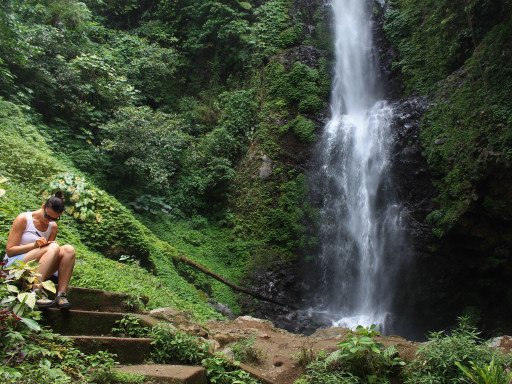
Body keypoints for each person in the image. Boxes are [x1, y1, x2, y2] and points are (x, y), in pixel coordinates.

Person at [3, 191, 75, 308]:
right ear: (43, 206)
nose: (48, 221)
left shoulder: (52, 227)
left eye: (54, 219)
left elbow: (51, 253)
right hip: (15, 263)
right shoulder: (24, 219)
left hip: (37, 267)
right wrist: (34, 246)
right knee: (53, 247)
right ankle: (36, 291)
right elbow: (10, 251)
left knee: (69, 250)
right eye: (47, 216)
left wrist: (48, 246)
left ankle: (61, 295)